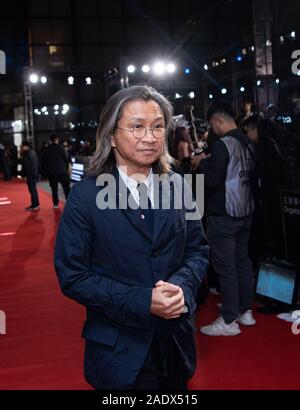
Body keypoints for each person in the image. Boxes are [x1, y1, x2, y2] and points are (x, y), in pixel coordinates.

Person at [54, 85, 209, 390]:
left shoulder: (178, 184)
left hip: (176, 344)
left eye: (158, 126)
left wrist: (182, 288)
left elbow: (198, 249)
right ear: (111, 135)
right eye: (137, 127)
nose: (150, 137)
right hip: (119, 353)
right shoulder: (86, 196)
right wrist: (143, 301)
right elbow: (72, 276)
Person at [197, 101, 256, 336]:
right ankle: (245, 311)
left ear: (219, 121)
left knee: (226, 266)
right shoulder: (248, 142)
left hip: (224, 212)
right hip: (246, 210)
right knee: (242, 261)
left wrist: (202, 162)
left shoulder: (223, 145)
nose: (213, 130)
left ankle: (229, 319)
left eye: (213, 125)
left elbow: (211, 180)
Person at [44, 134, 70, 209]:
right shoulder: (61, 148)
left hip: (52, 173)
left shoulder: (47, 149)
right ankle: (68, 202)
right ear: (57, 139)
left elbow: (45, 161)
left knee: (54, 189)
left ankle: (55, 204)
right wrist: (67, 168)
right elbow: (66, 158)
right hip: (62, 172)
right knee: (66, 188)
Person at [21, 141, 40, 211]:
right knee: (34, 190)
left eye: (22, 146)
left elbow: (26, 166)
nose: (22, 147)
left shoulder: (26, 154)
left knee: (32, 190)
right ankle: (36, 204)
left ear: (26, 146)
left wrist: (25, 175)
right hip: (34, 174)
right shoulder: (33, 152)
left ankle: (34, 205)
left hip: (30, 175)